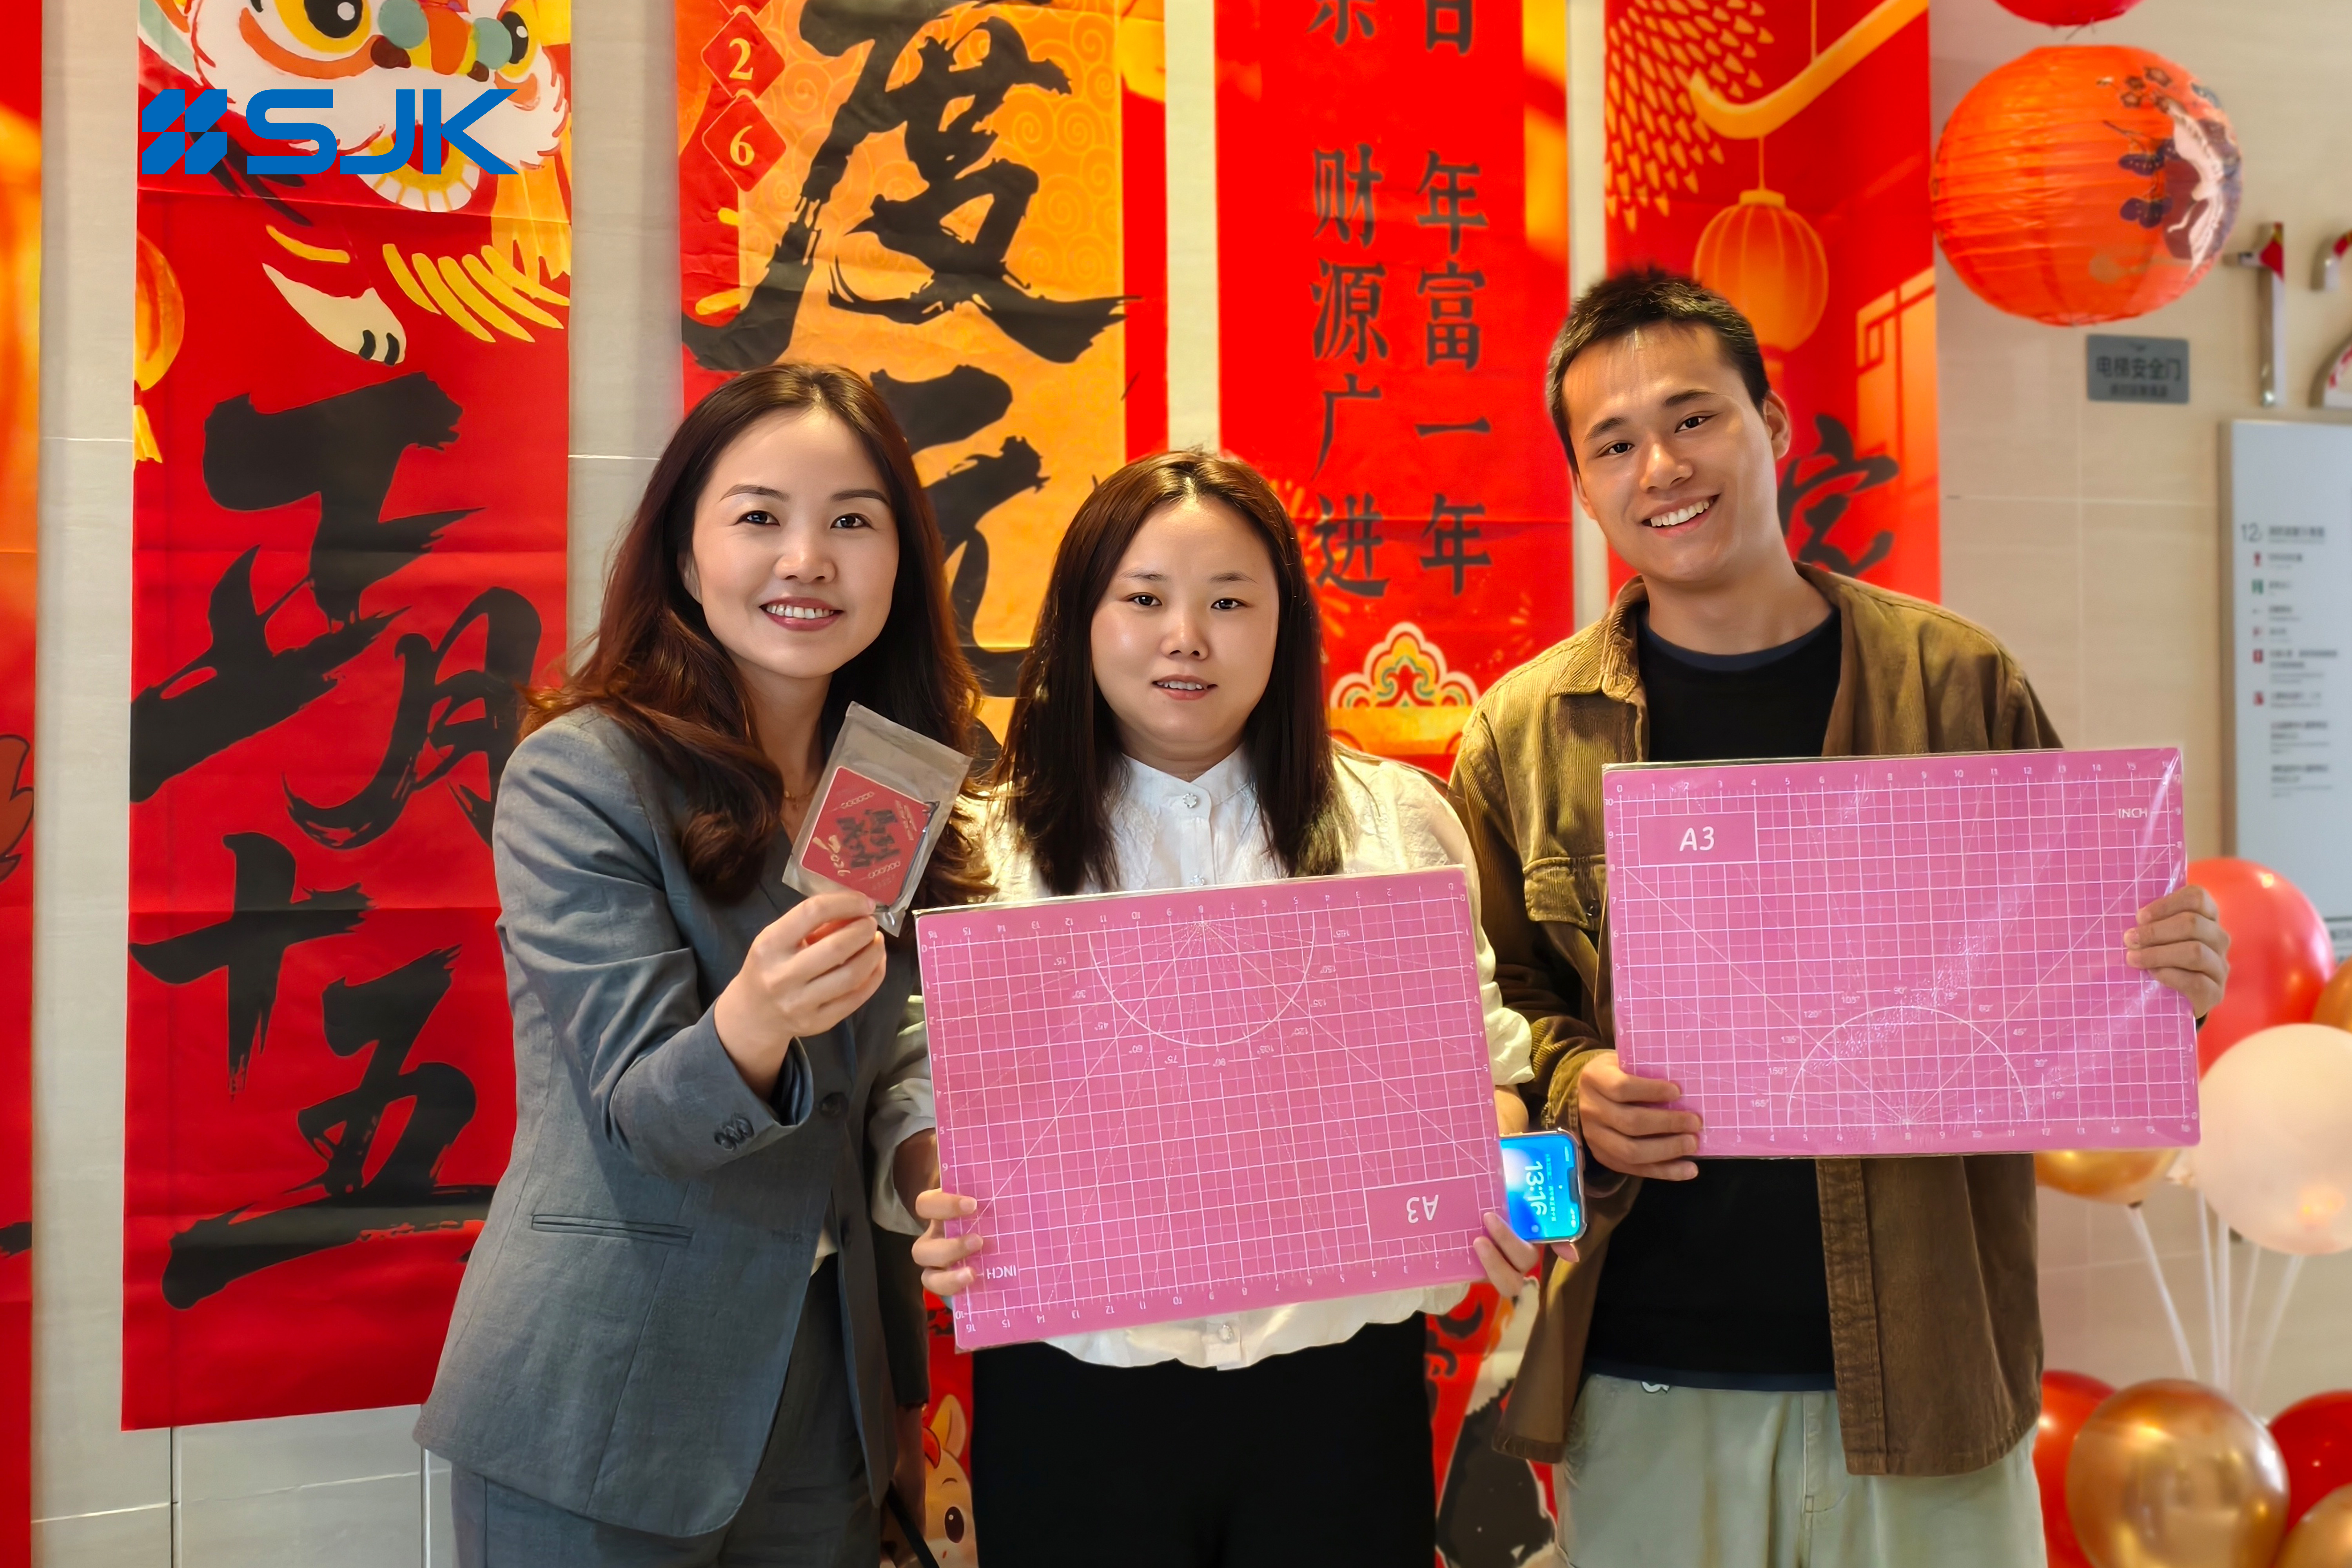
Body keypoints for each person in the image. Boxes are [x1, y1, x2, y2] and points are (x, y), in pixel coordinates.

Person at [1464, 269, 2232, 1567]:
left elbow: (2078, 972)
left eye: (1694, 417)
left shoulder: (1957, 684)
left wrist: (2166, 979)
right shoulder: (1524, 733)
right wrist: (1569, 1091)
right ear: (1585, 488)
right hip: (1644, 1380)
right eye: (1615, 444)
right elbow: (1487, 1025)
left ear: (1771, 425)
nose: (1662, 467)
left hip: (1930, 1374)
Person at [907, 450, 1544, 1566]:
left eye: (1230, 602)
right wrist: (932, 1186)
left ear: (1285, 624)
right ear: (1081, 619)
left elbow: (1490, 1065)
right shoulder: (983, 844)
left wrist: (1500, 1161)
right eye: (1145, 599)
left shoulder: (1396, 822)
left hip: (1338, 1392)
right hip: (1075, 1388)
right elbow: (920, 1091)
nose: (1186, 638)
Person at [414, 364, 988, 1567]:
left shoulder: (891, 783)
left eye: (852, 521)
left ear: (900, 559)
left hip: (827, 1399)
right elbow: (643, 1110)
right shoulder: (585, 773)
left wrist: (898, 1379)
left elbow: (873, 1094)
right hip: (603, 1393)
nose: (807, 560)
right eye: (760, 517)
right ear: (683, 553)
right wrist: (757, 1019)